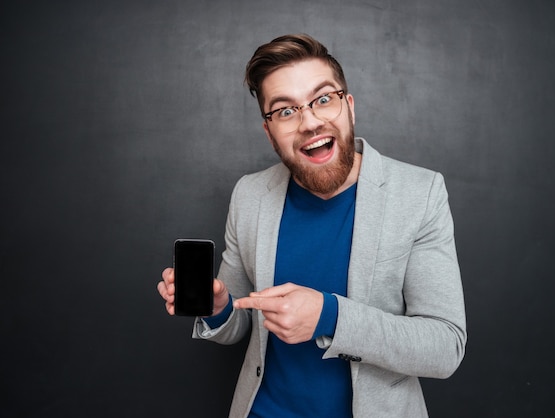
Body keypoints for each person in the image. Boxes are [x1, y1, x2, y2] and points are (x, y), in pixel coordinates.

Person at [157, 33, 466, 418]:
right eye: (285, 111)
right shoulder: (250, 195)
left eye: (323, 99)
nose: (310, 122)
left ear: (349, 107)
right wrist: (220, 307)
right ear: (270, 133)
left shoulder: (419, 194)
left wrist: (329, 315)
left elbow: (444, 347)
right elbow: (240, 322)